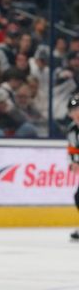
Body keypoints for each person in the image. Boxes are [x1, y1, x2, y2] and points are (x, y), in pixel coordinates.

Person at [67, 94, 79, 242]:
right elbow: (73, 149)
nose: (76, 112)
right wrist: (73, 161)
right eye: (73, 109)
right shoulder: (72, 130)